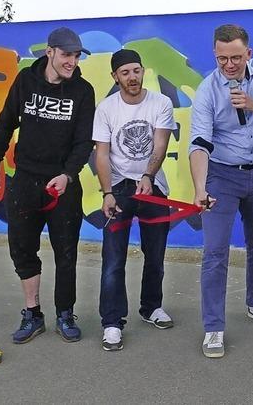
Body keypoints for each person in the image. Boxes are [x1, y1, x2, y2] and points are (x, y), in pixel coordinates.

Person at [0, 27, 95, 344]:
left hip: (63, 185)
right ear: (50, 52)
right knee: (21, 248)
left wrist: (68, 174)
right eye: (66, 55)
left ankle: (65, 313)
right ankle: (32, 313)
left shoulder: (83, 91)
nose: (71, 61)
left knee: (66, 252)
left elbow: (83, 141)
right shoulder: (25, 81)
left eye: (76, 56)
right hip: (25, 181)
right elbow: (5, 122)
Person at [189, 24, 253, 358]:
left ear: (249, 54)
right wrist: (200, 187)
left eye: (236, 58)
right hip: (221, 176)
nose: (229, 65)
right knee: (215, 253)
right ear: (215, 55)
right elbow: (199, 143)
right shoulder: (207, 89)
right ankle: (213, 328)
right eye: (222, 58)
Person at [93, 49, 176, 351]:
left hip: (153, 188)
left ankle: (152, 307)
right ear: (115, 77)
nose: (132, 77)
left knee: (155, 255)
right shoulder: (106, 109)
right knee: (113, 259)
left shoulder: (161, 103)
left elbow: (160, 143)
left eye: (136, 70)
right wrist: (107, 193)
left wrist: (149, 176)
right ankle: (112, 322)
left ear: (143, 71)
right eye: (125, 72)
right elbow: (101, 154)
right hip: (118, 188)